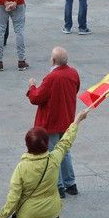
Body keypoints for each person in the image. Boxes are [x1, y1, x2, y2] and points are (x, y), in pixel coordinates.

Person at [27, 47, 81, 197]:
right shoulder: (73, 73)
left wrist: (32, 86)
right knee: (65, 152)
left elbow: (36, 98)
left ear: (53, 60)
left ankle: (58, 186)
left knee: (52, 154)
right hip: (67, 118)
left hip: (51, 122)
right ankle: (71, 184)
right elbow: (75, 89)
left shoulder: (51, 77)